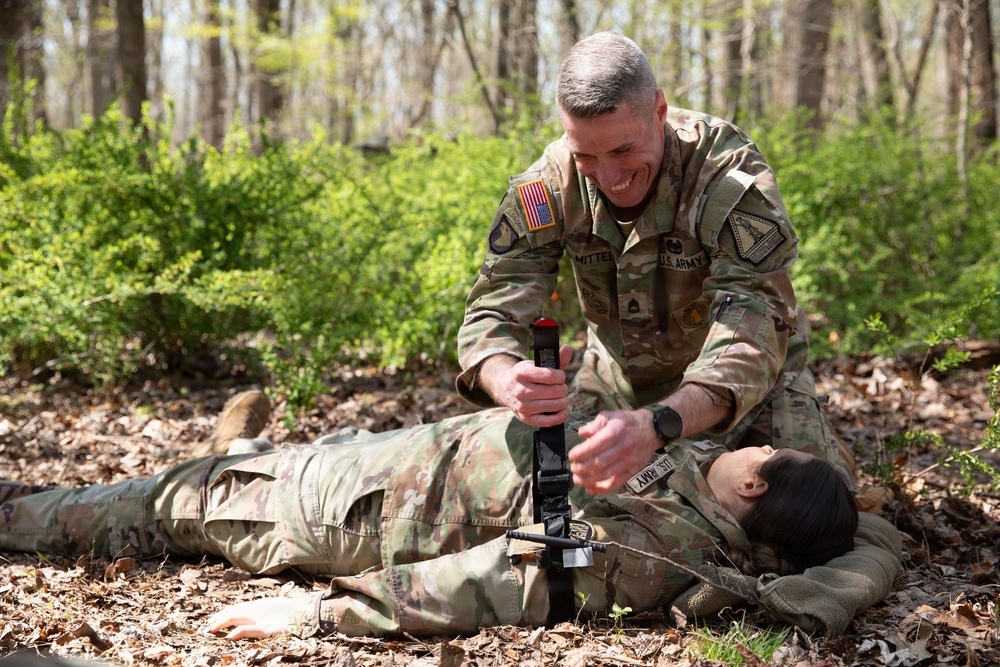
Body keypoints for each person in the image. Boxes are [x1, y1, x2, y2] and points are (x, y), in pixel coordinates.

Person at [0, 391, 900, 640]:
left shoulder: (646, 547)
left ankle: (17, 513)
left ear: (752, 489)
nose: (743, 440)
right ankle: (213, 457)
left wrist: (319, 612)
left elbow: (492, 583)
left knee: (154, 504)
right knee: (191, 484)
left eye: (762, 451)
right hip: (374, 463)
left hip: (341, 510)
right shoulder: (692, 489)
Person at [456, 32, 850, 495]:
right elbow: (492, 311)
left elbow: (754, 328)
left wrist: (660, 424)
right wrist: (508, 380)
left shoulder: (725, 175)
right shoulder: (549, 185)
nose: (609, 177)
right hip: (615, 389)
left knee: (814, 515)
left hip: (748, 397)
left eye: (623, 151)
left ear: (659, 112)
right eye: (586, 156)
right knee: (549, 505)